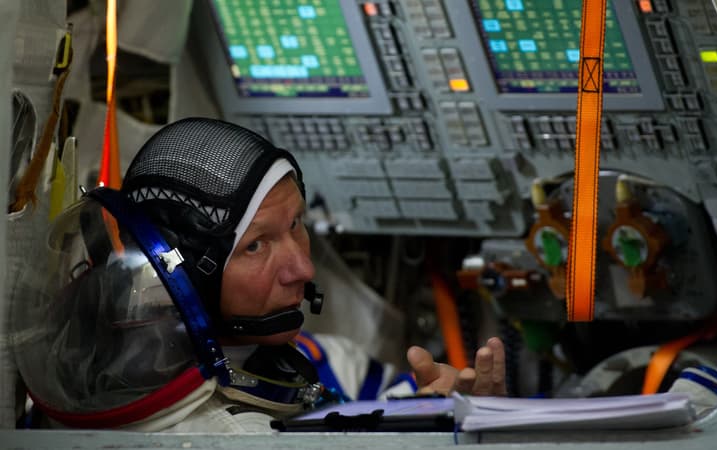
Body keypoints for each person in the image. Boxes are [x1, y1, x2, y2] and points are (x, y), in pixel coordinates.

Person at [11, 117, 505, 432]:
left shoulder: (315, 359)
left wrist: (447, 411)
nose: (303, 268)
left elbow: (368, 402)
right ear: (187, 270)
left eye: (296, 225)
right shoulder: (215, 431)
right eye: (256, 245)